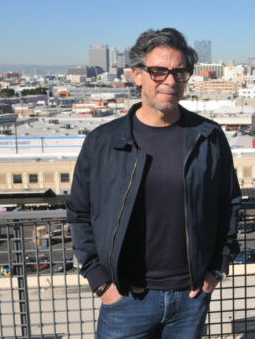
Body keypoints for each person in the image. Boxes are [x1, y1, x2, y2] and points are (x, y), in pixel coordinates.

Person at [67, 28, 241, 338]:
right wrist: (100, 282)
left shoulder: (209, 137)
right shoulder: (103, 143)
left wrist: (217, 268)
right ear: (137, 75)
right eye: (159, 72)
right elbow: (79, 212)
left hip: (190, 298)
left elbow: (228, 204)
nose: (170, 81)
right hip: (125, 299)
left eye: (180, 72)